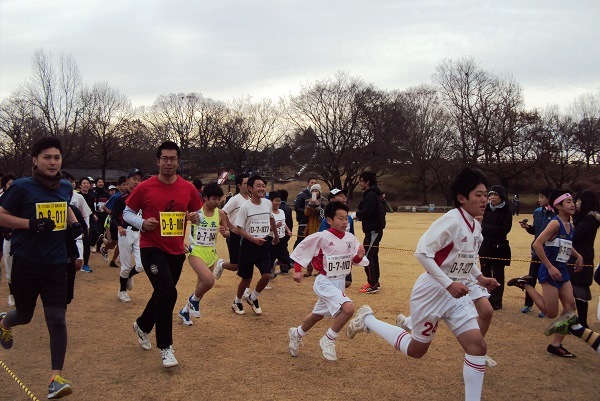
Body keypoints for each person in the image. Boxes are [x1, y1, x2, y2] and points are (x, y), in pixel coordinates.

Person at [345, 166, 499, 401]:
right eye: (478, 194)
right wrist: (448, 284)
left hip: (456, 294)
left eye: (485, 194)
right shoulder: (451, 221)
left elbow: (464, 257)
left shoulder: (475, 225)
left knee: (477, 346)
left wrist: (479, 278)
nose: (484, 200)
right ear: (461, 197)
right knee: (416, 351)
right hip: (432, 291)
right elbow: (422, 253)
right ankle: (368, 320)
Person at [0, 137, 81, 399]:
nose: (53, 162)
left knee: (56, 319)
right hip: (26, 261)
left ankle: (55, 378)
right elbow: (1, 214)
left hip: (56, 263)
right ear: (35, 160)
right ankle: (4, 321)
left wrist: (75, 223)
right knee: (24, 315)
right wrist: (29, 224)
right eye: (47, 157)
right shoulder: (22, 187)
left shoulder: (66, 186)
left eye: (56, 157)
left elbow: (65, 206)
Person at [123, 141, 201, 368]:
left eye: (173, 158)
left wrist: (195, 217)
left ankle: (142, 325)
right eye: (164, 158)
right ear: (158, 161)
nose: (169, 162)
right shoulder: (145, 187)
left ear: (178, 161)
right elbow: (127, 212)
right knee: (168, 292)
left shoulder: (187, 188)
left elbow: (196, 212)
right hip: (151, 248)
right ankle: (166, 347)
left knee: (162, 293)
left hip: (176, 251)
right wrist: (142, 222)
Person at [288, 201, 368, 361]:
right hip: (324, 282)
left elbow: (354, 260)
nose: (345, 222)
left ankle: (296, 333)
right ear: (329, 220)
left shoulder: (350, 238)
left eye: (346, 218)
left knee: (317, 315)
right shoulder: (321, 236)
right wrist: (298, 270)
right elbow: (302, 249)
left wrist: (358, 255)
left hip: (339, 283)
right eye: (340, 218)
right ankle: (329, 339)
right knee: (349, 308)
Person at [508, 190, 584, 358]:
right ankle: (525, 284)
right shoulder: (555, 223)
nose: (572, 204)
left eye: (573, 201)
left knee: (570, 307)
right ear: (558, 205)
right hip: (550, 271)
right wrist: (549, 266)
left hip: (562, 270)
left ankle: (556, 344)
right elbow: (537, 244)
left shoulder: (570, 225)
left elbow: (566, 245)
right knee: (551, 313)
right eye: (568, 201)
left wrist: (578, 256)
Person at [178, 183, 234, 326]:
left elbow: (227, 232)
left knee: (201, 288)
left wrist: (225, 232)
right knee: (209, 281)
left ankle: (185, 311)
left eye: (218, 199)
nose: (217, 202)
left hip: (211, 252)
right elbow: (182, 222)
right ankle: (192, 301)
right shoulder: (196, 212)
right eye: (214, 199)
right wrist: (181, 242)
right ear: (205, 198)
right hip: (196, 251)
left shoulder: (220, 213)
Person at [231, 175, 279, 316]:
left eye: (263, 186)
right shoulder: (245, 207)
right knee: (246, 278)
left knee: (267, 275)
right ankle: (237, 301)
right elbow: (239, 229)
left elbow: (271, 220)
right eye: (258, 186)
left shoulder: (267, 204)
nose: (262, 188)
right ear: (250, 188)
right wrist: (253, 239)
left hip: (263, 245)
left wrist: (275, 236)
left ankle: (253, 297)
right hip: (248, 246)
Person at [518, 187, 554, 316]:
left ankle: (546, 306)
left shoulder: (556, 214)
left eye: (542, 197)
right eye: (539, 197)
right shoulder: (538, 212)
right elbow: (535, 231)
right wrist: (527, 227)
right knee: (531, 277)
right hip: (536, 251)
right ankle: (528, 304)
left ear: (550, 199)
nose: (539, 200)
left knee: (546, 280)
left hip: (550, 253)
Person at [111, 169, 144, 303]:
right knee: (125, 266)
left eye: (138, 179)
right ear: (127, 180)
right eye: (134, 179)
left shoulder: (142, 196)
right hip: (125, 232)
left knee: (141, 265)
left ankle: (129, 276)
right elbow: (113, 215)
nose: (136, 181)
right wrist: (119, 227)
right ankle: (122, 291)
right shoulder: (121, 198)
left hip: (139, 232)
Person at [478, 185, 512, 310]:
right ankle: (485, 298)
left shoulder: (506, 210)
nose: (492, 197)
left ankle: (497, 301)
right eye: (490, 195)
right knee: (484, 272)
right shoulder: (485, 209)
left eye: (495, 195)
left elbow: (504, 229)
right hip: (485, 245)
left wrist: (484, 227)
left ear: (501, 197)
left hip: (499, 247)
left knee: (498, 274)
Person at [569, 191, 600, 328]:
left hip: (583, 255)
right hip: (576, 254)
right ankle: (575, 320)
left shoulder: (591, 219)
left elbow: (576, 235)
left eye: (579, 200)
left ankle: (583, 322)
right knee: (572, 287)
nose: (576, 203)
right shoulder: (583, 217)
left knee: (580, 287)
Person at [352, 171, 386, 294]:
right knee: (373, 255)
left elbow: (367, 211)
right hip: (373, 230)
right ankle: (374, 281)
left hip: (373, 230)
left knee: (368, 256)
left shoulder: (371, 195)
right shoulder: (373, 194)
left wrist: (356, 215)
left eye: (361, 181)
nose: (359, 183)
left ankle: (373, 284)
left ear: (367, 182)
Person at [216, 173, 250, 280]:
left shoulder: (250, 199)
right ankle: (221, 265)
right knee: (235, 265)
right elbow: (223, 212)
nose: (249, 185)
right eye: (246, 183)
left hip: (246, 235)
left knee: (247, 261)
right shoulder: (235, 199)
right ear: (239, 185)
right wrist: (231, 227)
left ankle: (245, 287)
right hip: (235, 236)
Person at [319, 188, 355, 289]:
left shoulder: (350, 219)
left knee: (347, 281)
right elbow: (321, 238)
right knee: (332, 281)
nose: (344, 197)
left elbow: (352, 236)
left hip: (344, 255)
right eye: (340, 195)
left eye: (344, 195)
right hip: (331, 256)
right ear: (332, 200)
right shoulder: (327, 220)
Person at [266, 191, 292, 286]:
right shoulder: (268, 214)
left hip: (282, 239)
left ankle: (274, 265)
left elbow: (284, 223)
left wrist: (288, 231)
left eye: (279, 201)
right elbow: (266, 229)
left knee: (285, 260)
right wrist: (275, 226)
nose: (278, 203)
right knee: (270, 259)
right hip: (271, 239)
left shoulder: (282, 211)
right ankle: (267, 281)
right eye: (276, 201)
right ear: (270, 201)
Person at [303, 183, 325, 276]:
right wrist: (310, 205)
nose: (314, 192)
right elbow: (306, 214)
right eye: (313, 191)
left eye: (316, 191)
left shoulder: (324, 201)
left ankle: (320, 269)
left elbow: (323, 216)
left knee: (321, 250)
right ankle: (309, 269)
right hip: (311, 227)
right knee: (309, 249)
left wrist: (318, 206)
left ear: (320, 192)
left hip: (321, 227)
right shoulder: (308, 201)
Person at [0, 173, 16, 306]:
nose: (12, 186)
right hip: (7, 238)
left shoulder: (22, 198)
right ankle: (12, 294)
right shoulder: (1, 199)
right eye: (9, 183)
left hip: (22, 239)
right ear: (4, 186)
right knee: (9, 269)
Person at [293, 177, 317, 249]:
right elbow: (297, 207)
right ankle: (295, 257)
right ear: (308, 184)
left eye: (315, 183)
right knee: (301, 241)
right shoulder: (302, 195)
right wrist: (306, 212)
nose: (313, 184)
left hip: (314, 223)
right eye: (312, 183)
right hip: (304, 222)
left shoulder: (317, 195)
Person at [275, 188, 293, 274]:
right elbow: (290, 222)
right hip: (286, 233)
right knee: (283, 251)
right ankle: (284, 267)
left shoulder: (279, 209)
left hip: (281, 233)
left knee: (281, 252)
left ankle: (285, 267)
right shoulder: (288, 208)